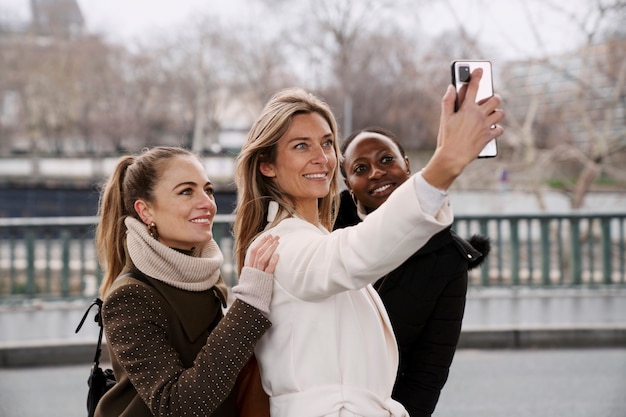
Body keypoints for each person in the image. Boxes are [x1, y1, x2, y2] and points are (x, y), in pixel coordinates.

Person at [233, 68, 504, 416]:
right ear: (267, 166)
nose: (322, 157)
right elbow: (357, 252)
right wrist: (446, 162)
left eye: (327, 142)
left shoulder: (310, 236)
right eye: (301, 145)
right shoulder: (279, 244)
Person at [94, 146, 279, 417]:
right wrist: (249, 304)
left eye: (208, 190)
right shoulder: (129, 298)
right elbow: (177, 407)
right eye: (186, 191)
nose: (207, 203)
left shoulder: (204, 273)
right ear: (145, 211)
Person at [335, 126, 491, 417]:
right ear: (349, 183)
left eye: (386, 160)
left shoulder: (447, 258)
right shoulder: (324, 234)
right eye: (361, 168)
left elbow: (429, 369)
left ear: (406, 165)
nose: (377, 173)